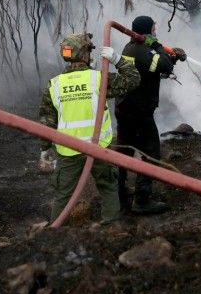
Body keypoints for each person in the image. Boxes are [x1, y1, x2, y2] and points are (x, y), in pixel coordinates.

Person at [37, 32, 140, 224]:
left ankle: (53, 238)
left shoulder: (55, 85)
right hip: (98, 147)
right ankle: (110, 231)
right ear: (85, 54)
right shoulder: (98, 79)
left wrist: (44, 149)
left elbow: (46, 121)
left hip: (69, 151)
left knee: (64, 195)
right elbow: (133, 79)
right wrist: (117, 59)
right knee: (108, 187)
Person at [115, 15, 187, 215]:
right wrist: (159, 48)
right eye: (154, 29)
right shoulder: (143, 50)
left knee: (124, 151)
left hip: (125, 108)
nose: (156, 32)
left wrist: (171, 56)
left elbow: (156, 67)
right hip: (139, 111)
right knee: (151, 153)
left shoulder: (130, 49)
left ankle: (118, 193)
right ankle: (142, 200)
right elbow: (162, 65)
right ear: (147, 32)